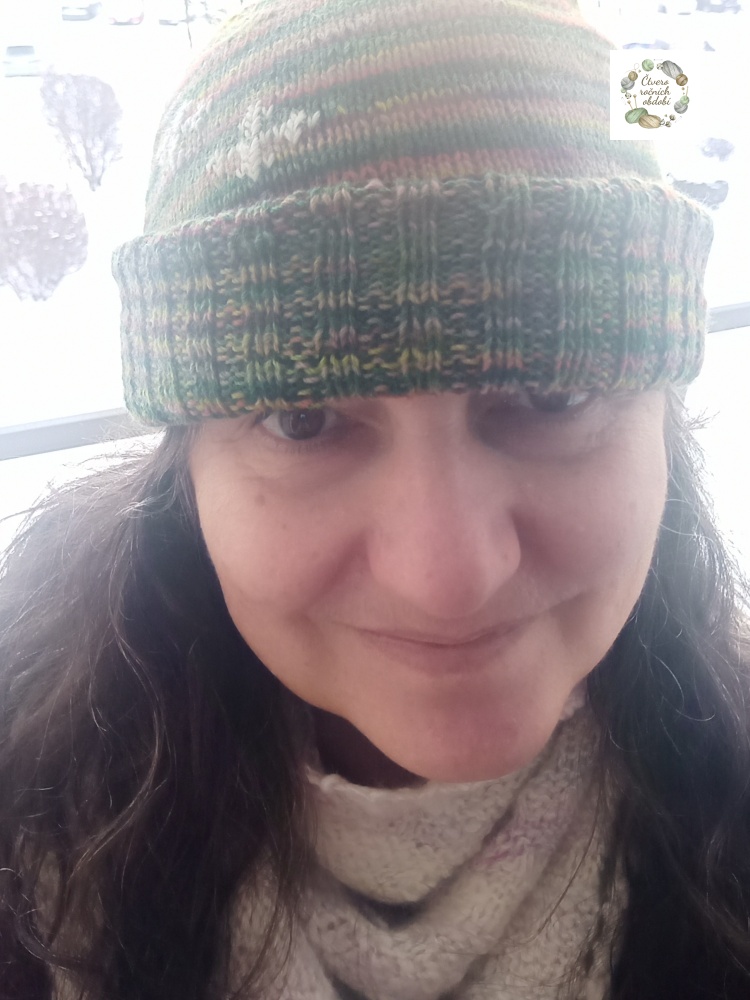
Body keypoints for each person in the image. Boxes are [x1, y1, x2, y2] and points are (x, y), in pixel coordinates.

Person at [1, 0, 749, 997]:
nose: (446, 578)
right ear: (190, 467)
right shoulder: (28, 799)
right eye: (304, 418)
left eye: (552, 397)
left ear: (665, 422)